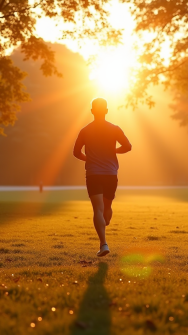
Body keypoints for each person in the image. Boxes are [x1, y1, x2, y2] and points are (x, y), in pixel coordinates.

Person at [73, 98, 132, 257]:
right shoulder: (115, 129)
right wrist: (114, 151)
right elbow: (128, 146)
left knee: (98, 210)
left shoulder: (85, 130)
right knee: (107, 207)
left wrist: (89, 159)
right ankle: (103, 233)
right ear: (106, 110)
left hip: (93, 174)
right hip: (111, 174)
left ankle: (104, 244)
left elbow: (76, 152)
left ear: (92, 111)